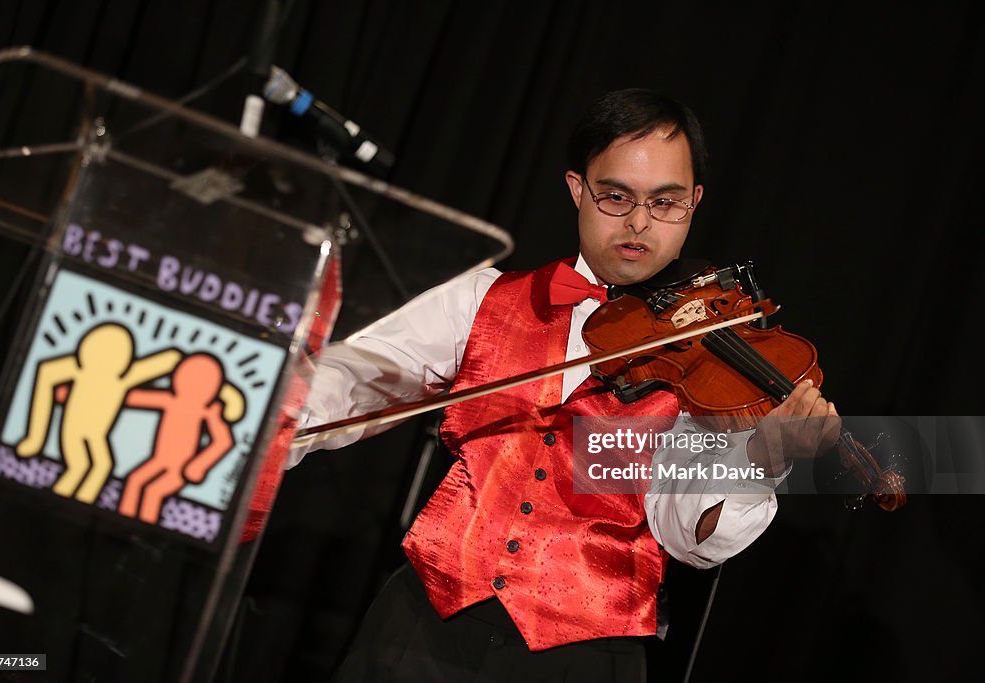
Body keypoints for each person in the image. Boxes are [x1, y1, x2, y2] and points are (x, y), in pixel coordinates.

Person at [288, 88, 840, 681]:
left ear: (694, 204)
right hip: (422, 629)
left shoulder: (704, 368)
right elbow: (359, 374)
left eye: (665, 203)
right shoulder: (482, 299)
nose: (638, 222)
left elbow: (691, 537)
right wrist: (265, 417)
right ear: (578, 189)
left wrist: (759, 462)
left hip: (583, 660)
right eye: (616, 196)